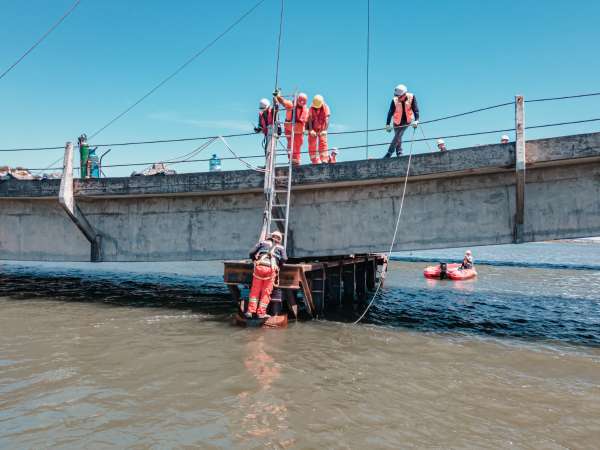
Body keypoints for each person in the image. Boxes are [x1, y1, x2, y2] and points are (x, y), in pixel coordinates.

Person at [246, 231, 288, 319]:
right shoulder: (281, 247)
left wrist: (254, 260)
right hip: (270, 269)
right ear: (280, 239)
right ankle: (261, 313)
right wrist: (279, 265)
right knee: (266, 292)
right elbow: (284, 258)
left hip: (259, 267)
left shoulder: (263, 243)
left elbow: (251, 253)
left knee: (255, 290)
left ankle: (250, 311)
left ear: (270, 236)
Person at [383, 84, 420, 158]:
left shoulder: (411, 97)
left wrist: (416, 120)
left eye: (399, 96)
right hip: (396, 121)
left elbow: (415, 110)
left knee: (398, 135)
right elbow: (390, 112)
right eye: (397, 96)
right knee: (398, 137)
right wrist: (387, 124)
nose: (397, 98)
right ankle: (399, 152)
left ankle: (389, 152)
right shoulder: (394, 100)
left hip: (407, 120)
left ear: (404, 94)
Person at [275, 89, 309, 165]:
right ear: (298, 100)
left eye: (304, 102)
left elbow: (308, 121)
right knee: (291, 144)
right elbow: (283, 102)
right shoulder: (291, 104)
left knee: (298, 144)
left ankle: (296, 160)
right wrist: (278, 95)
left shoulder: (306, 110)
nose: (302, 103)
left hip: (299, 130)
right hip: (289, 128)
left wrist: (307, 129)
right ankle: (292, 159)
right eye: (301, 101)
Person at [307, 95, 331, 164]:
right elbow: (309, 119)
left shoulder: (325, 107)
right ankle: (314, 160)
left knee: (323, 143)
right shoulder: (311, 108)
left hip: (322, 128)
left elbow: (327, 119)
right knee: (312, 143)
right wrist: (311, 130)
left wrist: (325, 130)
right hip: (313, 129)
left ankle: (324, 159)